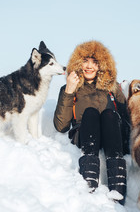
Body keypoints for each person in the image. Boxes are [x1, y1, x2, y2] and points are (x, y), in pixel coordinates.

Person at [53, 40, 130, 205]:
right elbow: (61, 126)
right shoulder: (70, 88)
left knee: (110, 114)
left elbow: (126, 119)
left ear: (102, 65)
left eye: (94, 62)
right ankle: (89, 184)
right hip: (86, 135)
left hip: (113, 137)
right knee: (90, 113)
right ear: (77, 63)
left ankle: (118, 188)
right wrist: (69, 91)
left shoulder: (113, 88)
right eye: (85, 61)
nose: (89, 66)